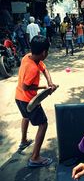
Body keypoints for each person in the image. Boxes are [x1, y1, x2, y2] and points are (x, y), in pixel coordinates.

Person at [15, 35, 57, 167]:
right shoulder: (32, 69)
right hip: (29, 101)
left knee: (25, 117)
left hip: (18, 98)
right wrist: (44, 87)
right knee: (43, 124)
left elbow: (44, 68)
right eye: (47, 51)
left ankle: (23, 141)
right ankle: (35, 157)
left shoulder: (28, 57)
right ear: (44, 52)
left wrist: (50, 82)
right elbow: (25, 87)